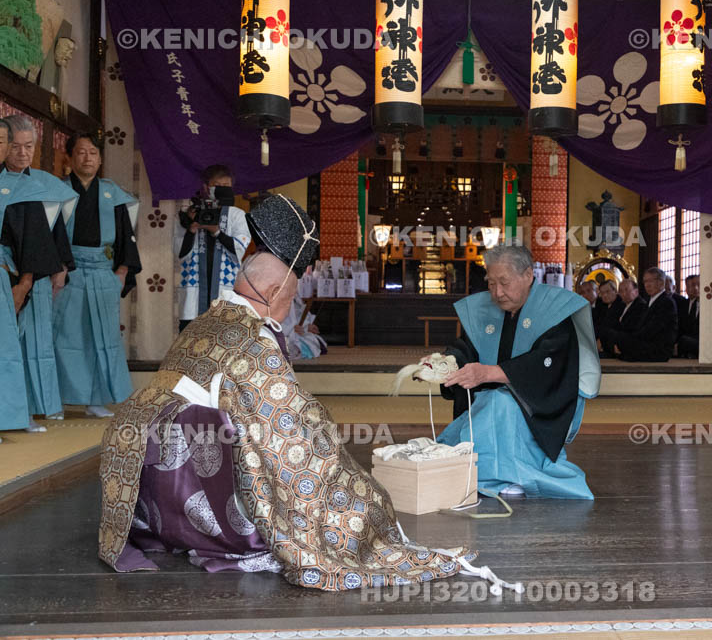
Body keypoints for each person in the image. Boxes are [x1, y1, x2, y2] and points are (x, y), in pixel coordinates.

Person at [99, 195, 493, 592]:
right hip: (210, 492)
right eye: (288, 301)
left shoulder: (205, 322)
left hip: (159, 493)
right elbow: (293, 425)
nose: (288, 312)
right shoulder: (254, 341)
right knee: (364, 502)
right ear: (271, 294)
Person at [437, 245, 601, 499]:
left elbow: (548, 364)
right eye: (491, 284)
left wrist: (491, 373)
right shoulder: (487, 310)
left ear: (528, 275)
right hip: (489, 404)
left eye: (504, 282)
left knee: (497, 402)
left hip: (539, 405)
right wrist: (444, 364)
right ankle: (486, 472)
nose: (497, 293)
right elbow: (465, 350)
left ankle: (498, 476)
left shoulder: (554, 310)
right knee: (491, 403)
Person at [52, 132, 141, 419]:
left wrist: (122, 270)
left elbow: (126, 235)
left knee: (102, 336)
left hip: (104, 272)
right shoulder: (59, 191)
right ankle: (59, 399)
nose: (87, 158)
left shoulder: (112, 193)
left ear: (100, 158)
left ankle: (95, 399)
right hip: (69, 271)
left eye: (92, 152)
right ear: (69, 157)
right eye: (80, 152)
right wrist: (59, 269)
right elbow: (52, 234)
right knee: (65, 335)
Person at [3, 114, 78, 424]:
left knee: (39, 340)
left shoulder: (45, 183)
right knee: (10, 343)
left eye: (28, 146)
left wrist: (61, 267)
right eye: (16, 147)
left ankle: (41, 406)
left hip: (40, 268)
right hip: (9, 266)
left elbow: (55, 232)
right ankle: (14, 411)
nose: (22, 153)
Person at [174, 165, 250, 332]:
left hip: (226, 291)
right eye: (217, 185)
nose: (222, 189)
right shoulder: (190, 213)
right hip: (193, 295)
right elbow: (180, 253)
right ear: (206, 187)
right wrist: (192, 228)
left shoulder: (237, 215)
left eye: (226, 186)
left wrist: (216, 231)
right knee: (189, 346)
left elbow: (239, 249)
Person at [609, 268, 678, 362]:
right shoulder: (649, 301)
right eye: (645, 281)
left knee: (622, 339)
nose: (647, 285)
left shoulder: (666, 302)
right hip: (647, 342)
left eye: (651, 281)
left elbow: (653, 329)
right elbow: (640, 326)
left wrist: (631, 339)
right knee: (616, 336)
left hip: (659, 348)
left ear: (661, 283)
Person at [282, 292, 327, 360]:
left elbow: (298, 314)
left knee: (318, 344)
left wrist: (307, 326)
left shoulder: (293, 293)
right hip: (282, 333)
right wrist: (291, 329)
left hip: (294, 332)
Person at [678, 274, 700, 359]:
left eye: (698, 285)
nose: (695, 288)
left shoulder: (707, 304)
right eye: (691, 285)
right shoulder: (682, 304)